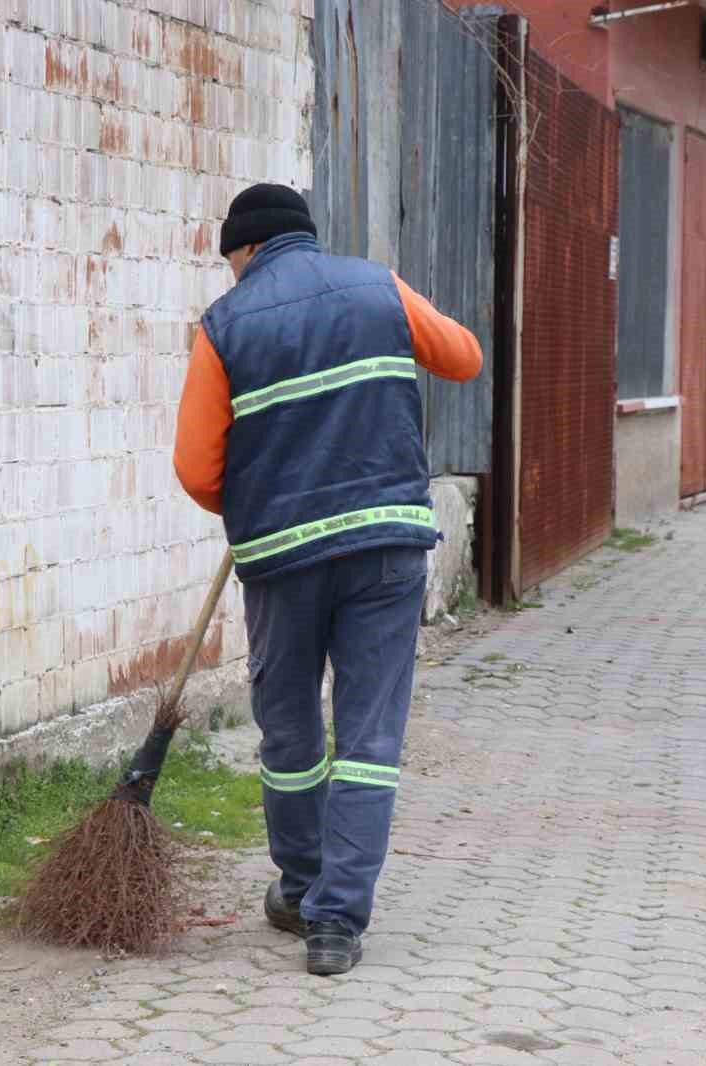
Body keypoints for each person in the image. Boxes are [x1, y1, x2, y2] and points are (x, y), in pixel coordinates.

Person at [173, 183, 483, 975]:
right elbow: (464, 357)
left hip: (282, 559)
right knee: (370, 735)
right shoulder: (378, 286)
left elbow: (194, 468)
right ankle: (335, 925)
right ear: (304, 237)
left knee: (290, 730)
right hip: (385, 549)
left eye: (231, 260)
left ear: (245, 251)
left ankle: (302, 882)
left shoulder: (225, 325)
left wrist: (248, 495)